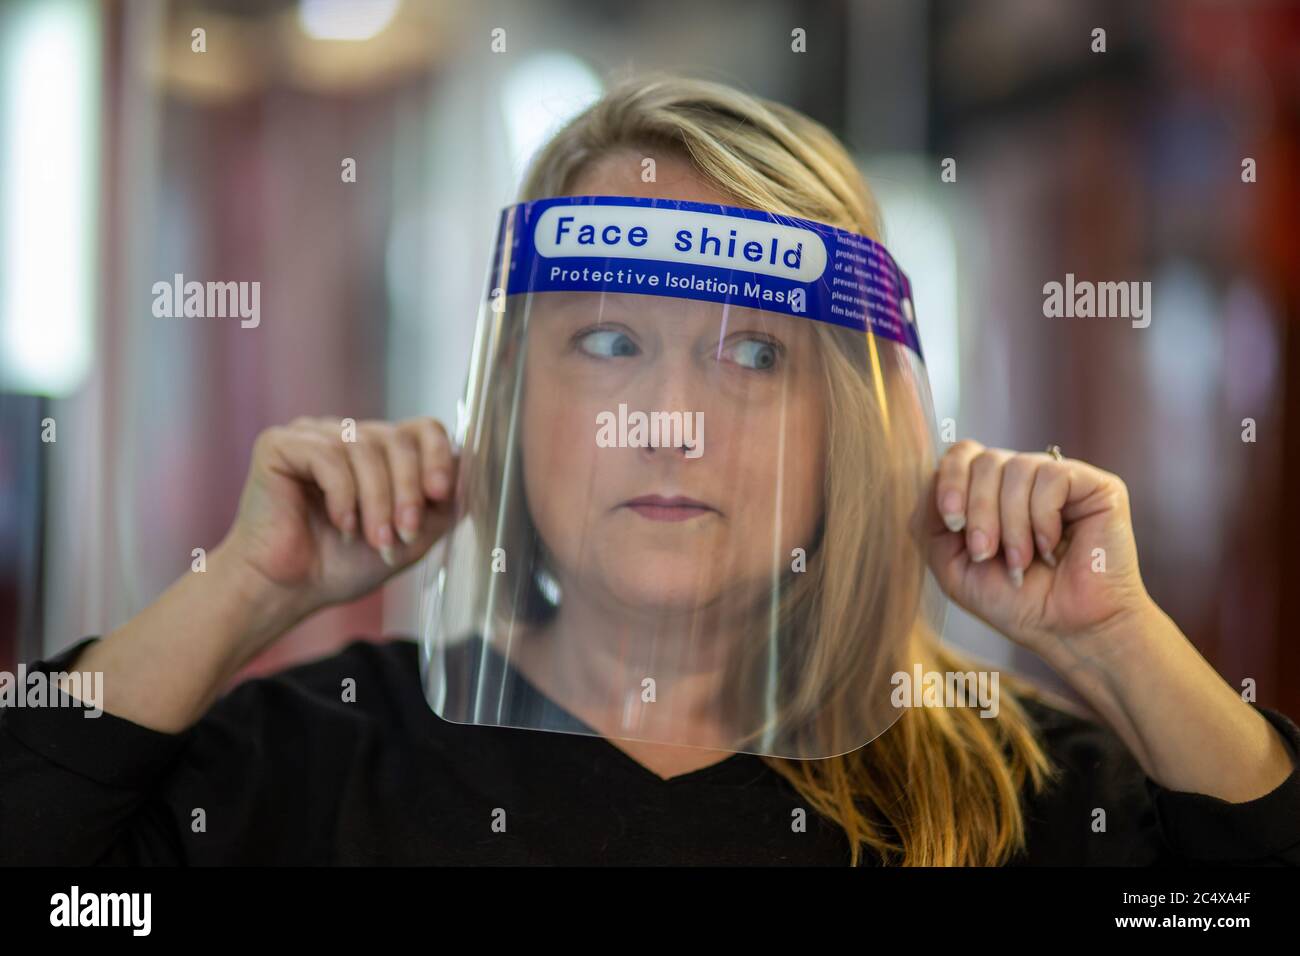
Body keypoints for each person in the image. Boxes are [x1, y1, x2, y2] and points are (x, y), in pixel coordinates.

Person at [2, 74, 1297, 867]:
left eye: (752, 357)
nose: (668, 421)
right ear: (513, 403)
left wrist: (1125, 645)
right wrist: (241, 588)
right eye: (610, 343)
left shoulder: (1025, 792)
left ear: (849, 421)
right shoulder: (308, 765)